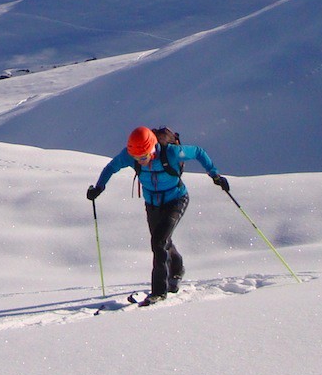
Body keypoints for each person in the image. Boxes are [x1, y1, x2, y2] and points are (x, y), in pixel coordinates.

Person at [86, 126, 229, 304]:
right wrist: (99, 187)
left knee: (158, 241)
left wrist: (214, 174)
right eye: (137, 158)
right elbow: (111, 167)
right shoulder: (131, 155)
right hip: (152, 203)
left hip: (176, 199)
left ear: (152, 148)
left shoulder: (172, 153)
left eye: (144, 157)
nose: (141, 161)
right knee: (163, 241)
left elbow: (198, 152)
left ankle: (159, 291)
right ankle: (177, 269)